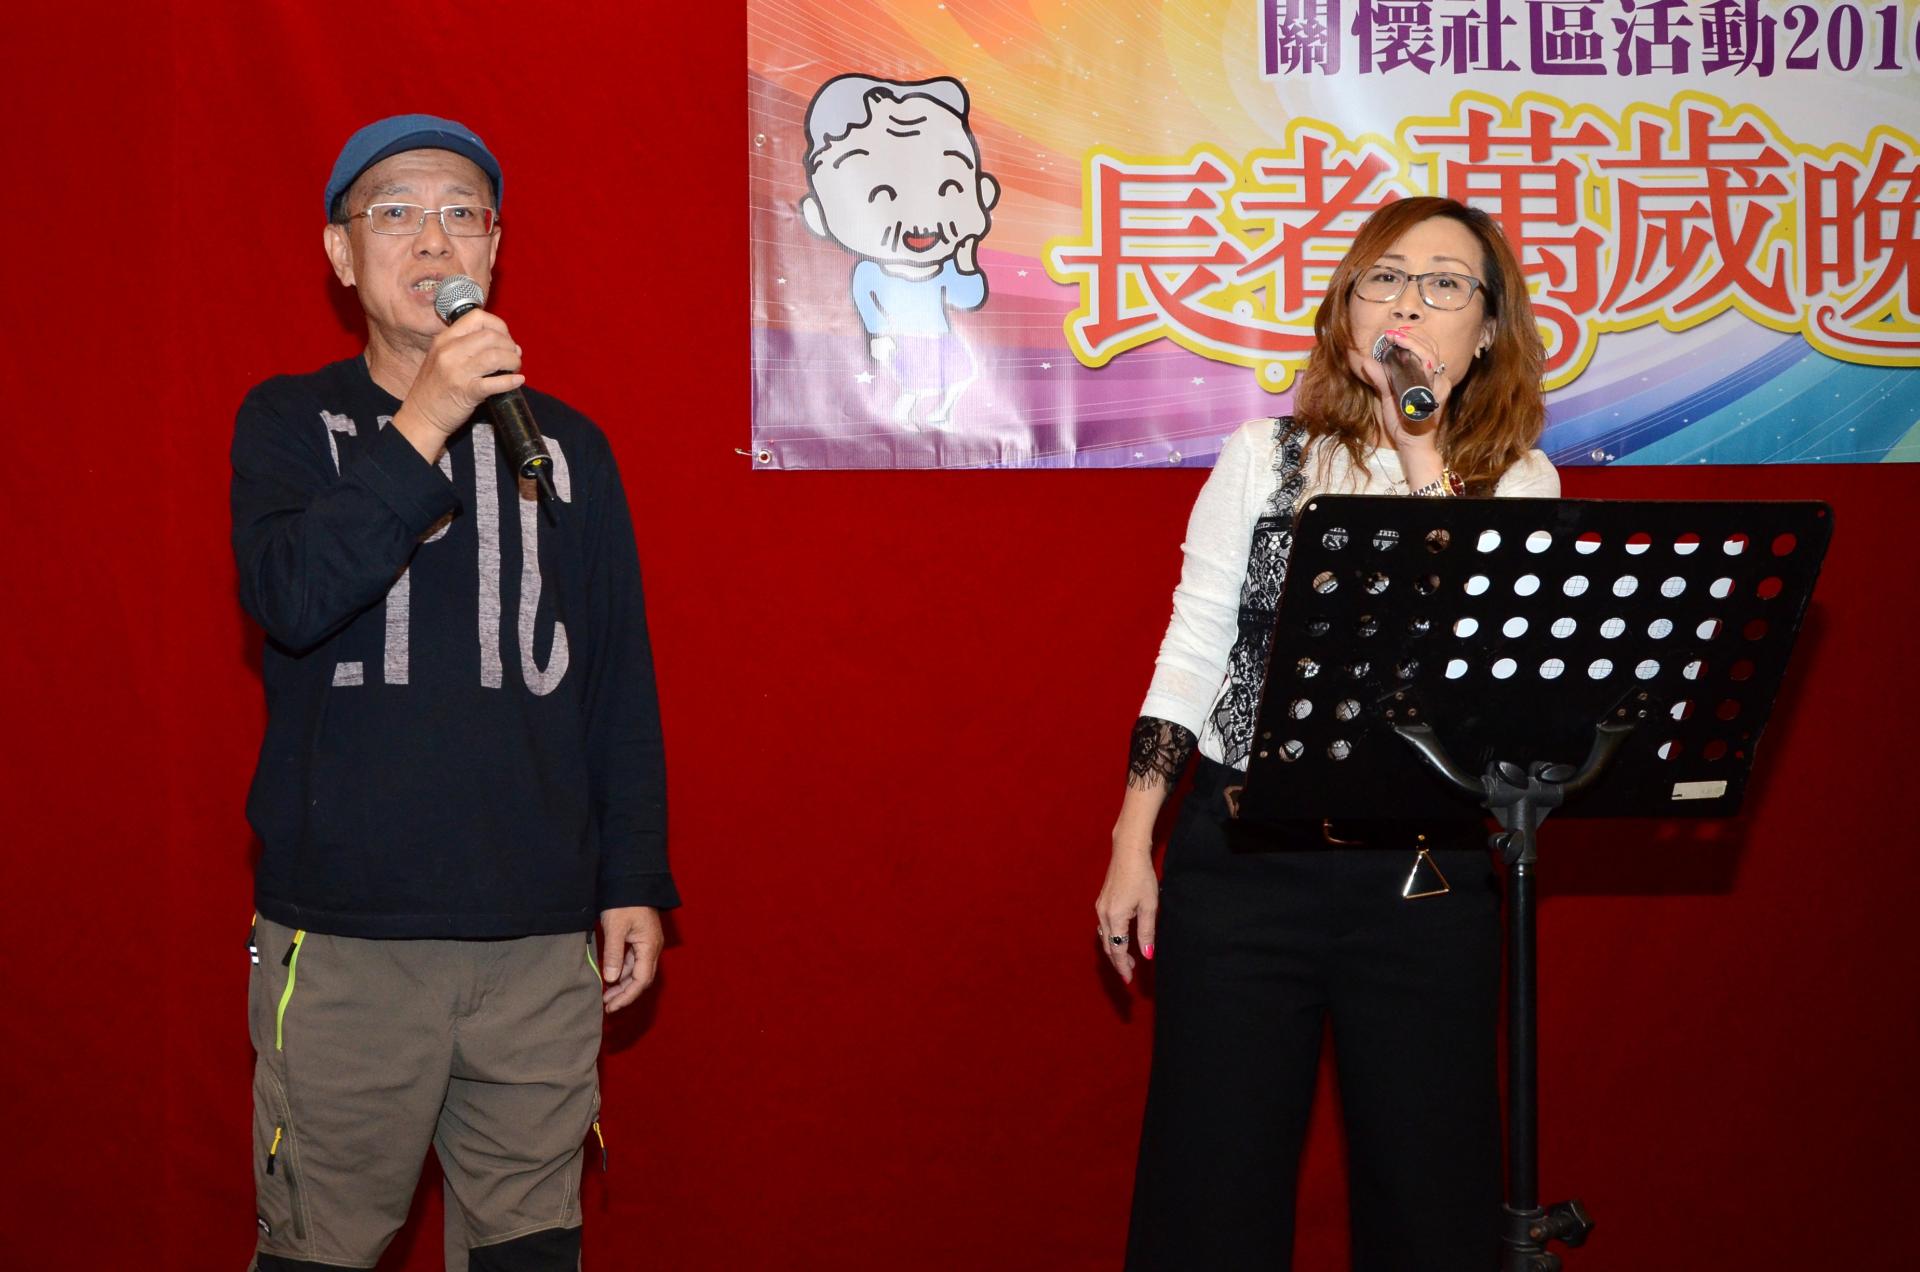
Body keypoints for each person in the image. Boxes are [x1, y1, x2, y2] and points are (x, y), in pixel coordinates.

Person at [230, 114, 677, 1271]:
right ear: (341, 254)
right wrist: (424, 418)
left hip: (535, 942)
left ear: (495, 247)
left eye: (460, 213)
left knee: (530, 1247)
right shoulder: (290, 423)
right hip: (346, 938)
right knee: (318, 1249)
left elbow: (616, 677)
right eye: (395, 213)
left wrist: (632, 877)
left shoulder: (565, 446)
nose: (433, 240)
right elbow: (290, 597)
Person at [1095, 196, 1561, 1271]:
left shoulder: (1519, 481)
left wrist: (1421, 449)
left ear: (1487, 330)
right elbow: (1193, 650)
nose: (1408, 303)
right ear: (1347, 310)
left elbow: (1485, 672)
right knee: (1211, 1195)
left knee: (1430, 1199)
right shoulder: (1265, 455)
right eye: (1383, 278)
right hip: (1243, 862)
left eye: (1444, 283)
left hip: (1425, 880)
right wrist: (1132, 840)